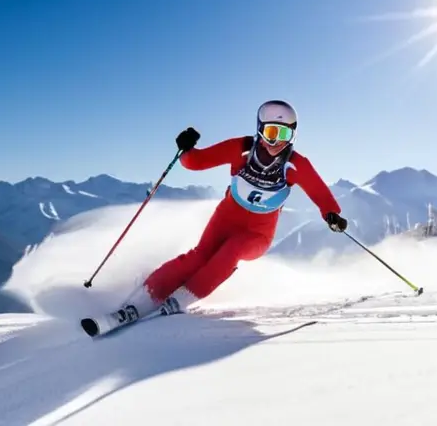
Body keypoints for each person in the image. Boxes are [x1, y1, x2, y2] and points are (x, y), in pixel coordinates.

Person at [102, 100, 348, 332]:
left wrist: (332, 214)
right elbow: (197, 162)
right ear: (260, 129)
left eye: (285, 134)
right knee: (198, 257)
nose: (277, 141)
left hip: (257, 234)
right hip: (226, 218)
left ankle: (184, 297)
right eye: (272, 132)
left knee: (232, 250)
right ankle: (146, 296)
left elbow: (318, 191)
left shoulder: (295, 164)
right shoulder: (241, 149)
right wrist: (186, 149)